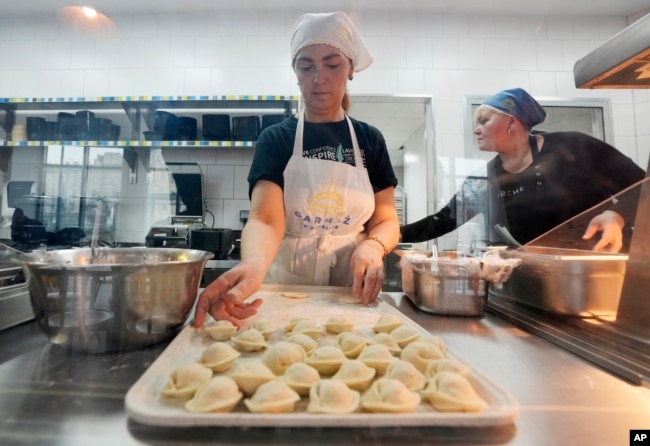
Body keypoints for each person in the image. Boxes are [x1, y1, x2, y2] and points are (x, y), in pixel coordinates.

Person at [194, 11, 400, 328]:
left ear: (350, 69)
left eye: (332, 65)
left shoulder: (369, 140)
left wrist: (373, 247)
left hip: (353, 286)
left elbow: (386, 219)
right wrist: (254, 263)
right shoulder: (277, 139)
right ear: (296, 72)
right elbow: (265, 219)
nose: (319, 77)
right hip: (285, 282)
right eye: (307, 66)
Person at [400, 87, 645, 253]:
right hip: (530, 277)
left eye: (484, 121)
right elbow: (441, 221)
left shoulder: (575, 146)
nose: (476, 130)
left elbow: (643, 186)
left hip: (594, 266)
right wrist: (387, 235)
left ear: (511, 122)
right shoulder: (485, 178)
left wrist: (616, 215)